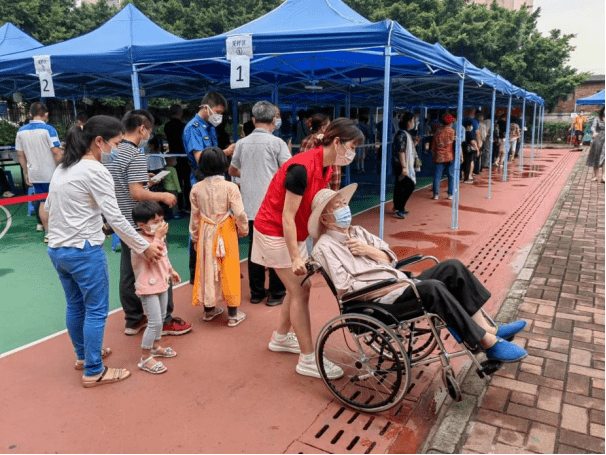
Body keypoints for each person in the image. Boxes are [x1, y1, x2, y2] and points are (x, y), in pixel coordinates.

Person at [309, 186, 529, 363]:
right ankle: (486, 342)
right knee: (433, 288)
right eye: (337, 206)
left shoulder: (359, 232)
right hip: (380, 299)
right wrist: (386, 283)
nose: (344, 208)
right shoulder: (324, 248)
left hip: (400, 283)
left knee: (452, 267)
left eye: (344, 203)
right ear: (325, 219)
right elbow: (345, 289)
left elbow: (391, 258)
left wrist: (369, 251)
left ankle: (490, 328)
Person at [46, 115, 164, 387]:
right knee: (96, 310)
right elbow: (117, 217)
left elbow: (51, 209)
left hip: (58, 249)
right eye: (115, 143)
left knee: (76, 305)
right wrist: (143, 246)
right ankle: (94, 370)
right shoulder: (95, 170)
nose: (116, 149)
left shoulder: (63, 168)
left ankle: (84, 357)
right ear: (98, 141)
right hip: (84, 251)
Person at [251, 117, 363, 379]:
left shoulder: (324, 166)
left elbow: (313, 209)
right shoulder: (301, 168)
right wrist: (295, 257)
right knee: (301, 289)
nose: (352, 153)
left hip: (294, 232)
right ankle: (308, 358)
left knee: (297, 286)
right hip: (274, 231)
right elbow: (286, 217)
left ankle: (280, 337)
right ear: (337, 142)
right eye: (352, 147)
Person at [105, 109, 192, 337]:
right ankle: (165, 319)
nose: (149, 136)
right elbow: (135, 193)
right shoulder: (134, 155)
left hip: (121, 222)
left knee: (128, 272)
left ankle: (133, 319)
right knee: (161, 265)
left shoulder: (111, 153)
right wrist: (162, 196)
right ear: (142, 129)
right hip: (140, 222)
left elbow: (125, 187)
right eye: (150, 131)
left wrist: (147, 183)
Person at [229, 101, 290, 306]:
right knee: (275, 249)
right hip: (273, 206)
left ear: (253, 120)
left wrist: (247, 175)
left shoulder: (242, 143)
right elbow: (289, 171)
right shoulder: (277, 144)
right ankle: (276, 292)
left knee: (254, 249)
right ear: (274, 120)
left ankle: (256, 293)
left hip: (249, 206)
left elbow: (232, 170)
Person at [190, 147, 249, 327]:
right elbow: (239, 212)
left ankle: (209, 310)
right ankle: (233, 313)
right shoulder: (230, 187)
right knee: (229, 268)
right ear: (224, 164)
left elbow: (194, 216)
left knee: (207, 268)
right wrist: (243, 228)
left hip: (206, 230)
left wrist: (195, 237)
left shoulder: (196, 188)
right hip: (226, 230)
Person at [131, 201, 181, 374]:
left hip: (162, 282)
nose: (161, 225)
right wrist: (158, 238)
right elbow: (153, 256)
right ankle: (145, 357)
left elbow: (164, 256)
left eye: (161, 220)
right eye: (155, 222)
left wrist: (171, 270)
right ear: (141, 226)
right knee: (155, 322)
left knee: (161, 317)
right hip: (147, 286)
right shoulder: (139, 242)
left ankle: (156, 347)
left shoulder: (157, 238)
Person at [15, 102, 63, 242]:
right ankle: (60, 231)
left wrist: (26, 172)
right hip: (53, 172)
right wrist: (63, 165)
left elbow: (20, 154)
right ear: (46, 114)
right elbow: (56, 151)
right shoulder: (49, 129)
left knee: (43, 202)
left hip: (35, 172)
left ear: (30, 114)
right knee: (57, 202)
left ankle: (48, 232)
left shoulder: (21, 131)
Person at [183, 91, 235, 187]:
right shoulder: (193, 128)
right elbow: (200, 159)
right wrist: (225, 152)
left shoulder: (210, 127)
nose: (219, 116)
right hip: (203, 182)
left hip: (216, 178)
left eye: (221, 113)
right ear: (206, 108)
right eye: (217, 112)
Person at [164, 104, 190, 213]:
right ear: (181, 113)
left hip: (172, 157)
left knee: (175, 183)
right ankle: (188, 205)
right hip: (184, 157)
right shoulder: (184, 126)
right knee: (186, 182)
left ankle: (177, 206)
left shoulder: (167, 126)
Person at [300, 114, 338, 190]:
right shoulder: (329, 144)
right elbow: (335, 173)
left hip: (305, 188)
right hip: (322, 192)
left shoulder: (305, 141)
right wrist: (335, 192)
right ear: (323, 128)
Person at [392, 113, 419, 218]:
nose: (413, 123)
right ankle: (398, 207)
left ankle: (400, 207)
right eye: (412, 121)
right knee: (407, 185)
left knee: (401, 186)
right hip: (400, 164)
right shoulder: (402, 134)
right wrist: (404, 167)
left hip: (402, 164)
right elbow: (401, 151)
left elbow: (407, 149)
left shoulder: (404, 134)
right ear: (408, 122)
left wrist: (415, 143)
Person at [431, 115, 456, 200]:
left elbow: (433, 147)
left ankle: (436, 194)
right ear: (450, 122)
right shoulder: (452, 132)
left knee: (437, 176)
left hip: (439, 157)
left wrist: (434, 156)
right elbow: (455, 145)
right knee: (451, 176)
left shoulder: (437, 132)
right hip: (450, 156)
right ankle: (450, 194)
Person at [586, 108, 605, 183]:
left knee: (604, 158)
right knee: (596, 156)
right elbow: (593, 127)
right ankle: (596, 176)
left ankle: (603, 176)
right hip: (598, 139)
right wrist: (594, 132)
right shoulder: (597, 118)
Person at [462, 119, 479, 184]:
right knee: (468, 163)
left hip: (463, 149)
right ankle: (467, 178)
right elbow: (473, 142)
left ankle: (463, 177)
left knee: (464, 163)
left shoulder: (462, 132)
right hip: (468, 150)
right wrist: (477, 149)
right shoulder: (468, 133)